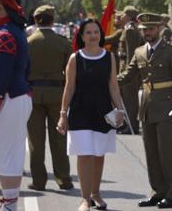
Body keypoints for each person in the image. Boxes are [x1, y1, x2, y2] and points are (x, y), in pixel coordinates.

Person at [118, 13, 172, 209]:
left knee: (168, 154)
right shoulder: (140, 51)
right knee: (151, 153)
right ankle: (158, 191)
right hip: (147, 106)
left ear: (159, 29)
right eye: (144, 30)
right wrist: (104, 78)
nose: (147, 33)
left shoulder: (171, 51)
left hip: (167, 107)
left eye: (150, 29)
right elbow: (127, 76)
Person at [56, 19, 126, 211]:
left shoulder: (109, 57)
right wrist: (63, 114)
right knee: (85, 155)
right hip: (80, 111)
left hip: (103, 112)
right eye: (89, 32)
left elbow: (113, 85)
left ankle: (96, 193)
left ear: (100, 34)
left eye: (96, 32)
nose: (93, 35)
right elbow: (69, 88)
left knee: (98, 155)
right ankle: (84, 199)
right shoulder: (75, 58)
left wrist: (120, 110)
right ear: (81, 36)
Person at [0, 0, 32, 211]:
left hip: (7, 97)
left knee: (7, 154)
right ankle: (9, 204)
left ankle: (9, 206)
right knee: (8, 153)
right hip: (16, 98)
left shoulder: (3, 34)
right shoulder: (11, 30)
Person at [27, 5, 73, 191]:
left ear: (36, 20)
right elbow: (70, 71)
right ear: (52, 20)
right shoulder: (62, 42)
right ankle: (63, 179)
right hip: (57, 95)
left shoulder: (29, 42)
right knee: (59, 139)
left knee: (35, 141)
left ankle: (38, 181)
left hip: (33, 95)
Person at [118, 6, 143, 134]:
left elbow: (131, 54)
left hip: (129, 70)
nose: (121, 17)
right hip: (126, 68)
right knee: (127, 98)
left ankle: (132, 125)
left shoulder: (130, 30)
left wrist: (128, 73)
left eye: (123, 15)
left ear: (128, 16)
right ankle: (127, 124)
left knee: (130, 99)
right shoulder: (130, 28)